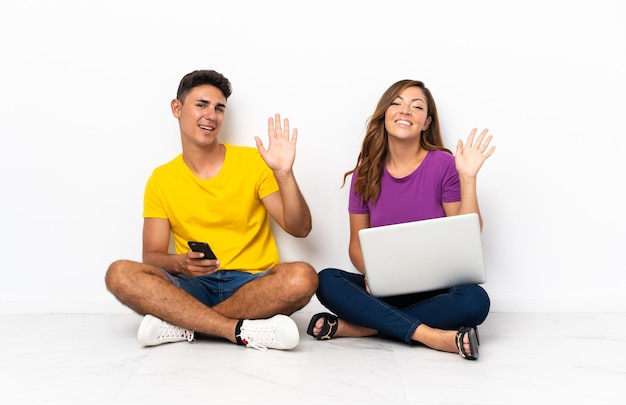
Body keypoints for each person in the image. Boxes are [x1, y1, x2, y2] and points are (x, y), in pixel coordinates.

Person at [105, 69, 318, 351]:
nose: (211, 115)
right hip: (192, 286)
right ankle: (237, 330)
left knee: (303, 277)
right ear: (177, 108)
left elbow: (300, 228)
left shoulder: (254, 162)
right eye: (201, 105)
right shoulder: (161, 179)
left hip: (251, 285)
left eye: (219, 108)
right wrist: (180, 263)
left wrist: (284, 174)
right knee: (118, 273)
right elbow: (152, 257)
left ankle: (185, 325)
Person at [306, 80, 495, 360]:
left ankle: (363, 328)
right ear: (384, 114)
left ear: (426, 122)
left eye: (416, 106)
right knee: (326, 280)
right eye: (396, 103)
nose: (405, 110)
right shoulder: (365, 173)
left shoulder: (443, 164)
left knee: (475, 301)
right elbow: (356, 246)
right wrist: (372, 272)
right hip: (386, 288)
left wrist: (468, 179)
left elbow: (466, 234)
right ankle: (430, 335)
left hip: (437, 289)